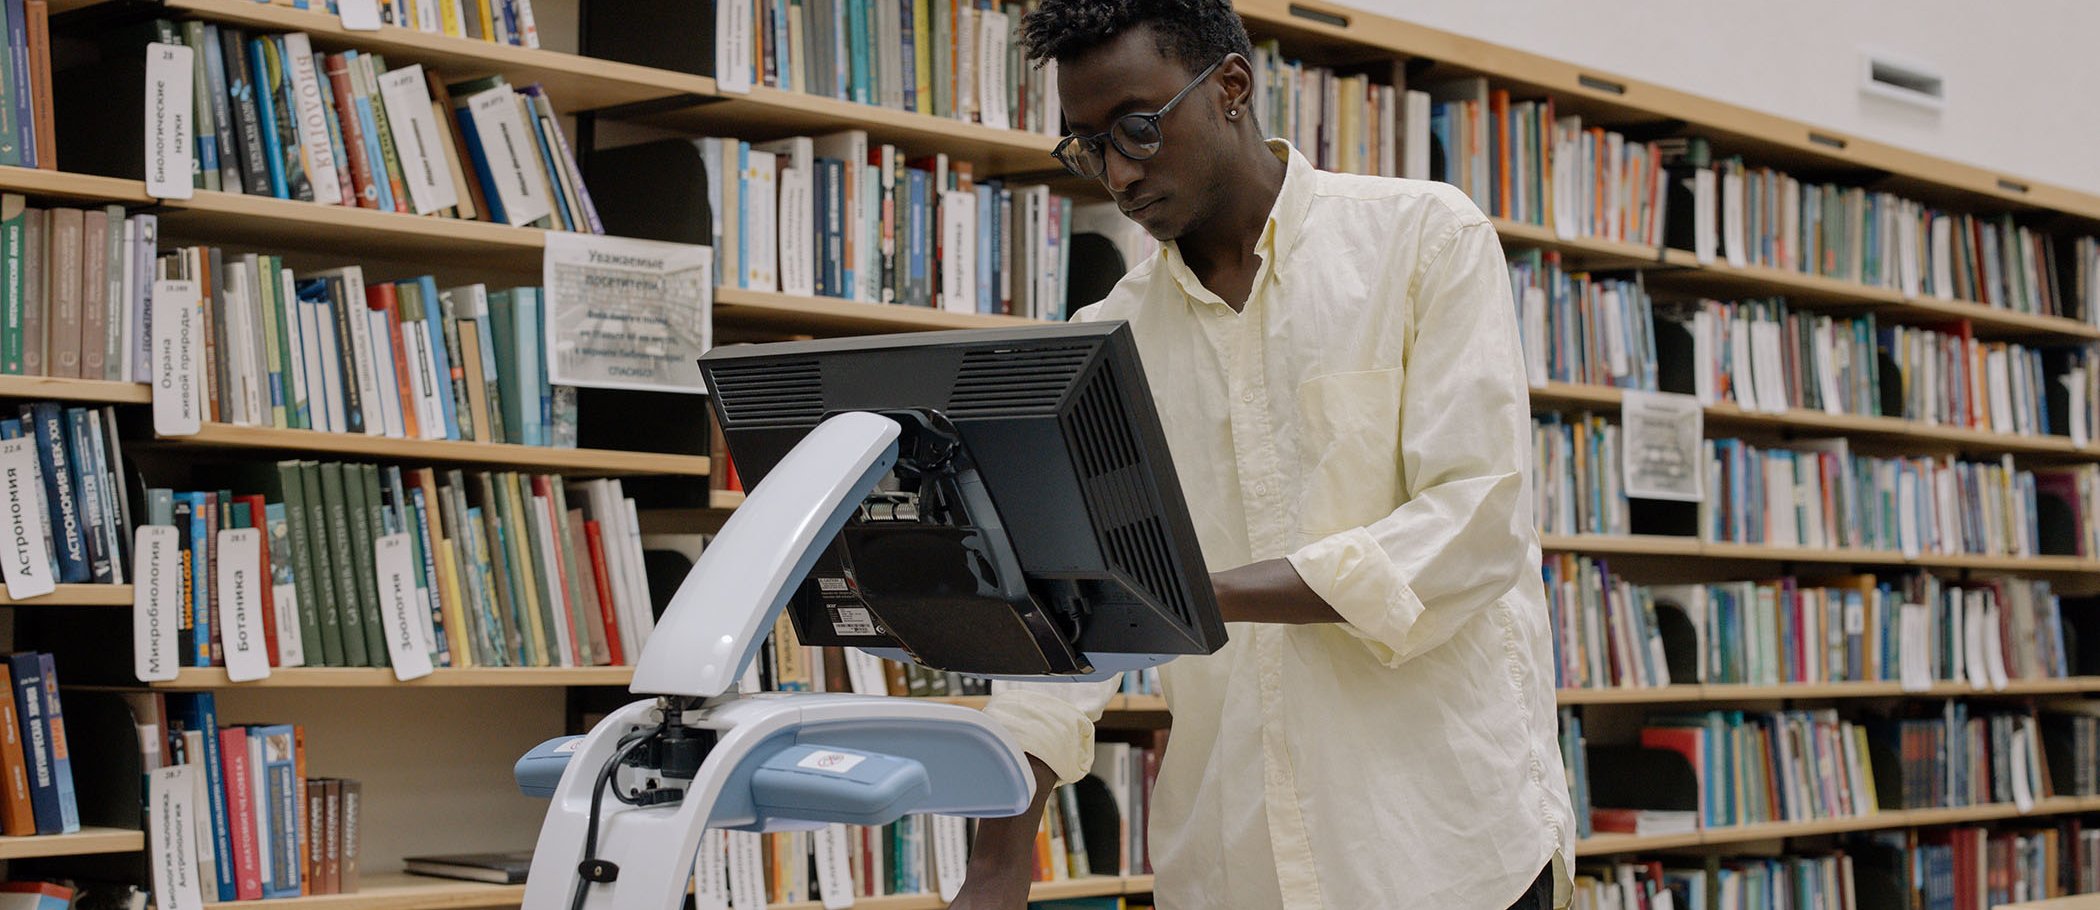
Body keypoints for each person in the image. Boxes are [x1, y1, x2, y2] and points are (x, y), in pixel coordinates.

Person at [956, 2, 1575, 908]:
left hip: (1442, 848)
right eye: (1086, 146)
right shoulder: (1106, 343)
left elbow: (1472, 527)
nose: (1118, 174)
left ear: (1231, 88)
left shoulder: (1421, 240)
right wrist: (994, 872)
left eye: (1136, 127)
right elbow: (1067, 628)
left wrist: (1194, 594)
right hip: (1234, 859)